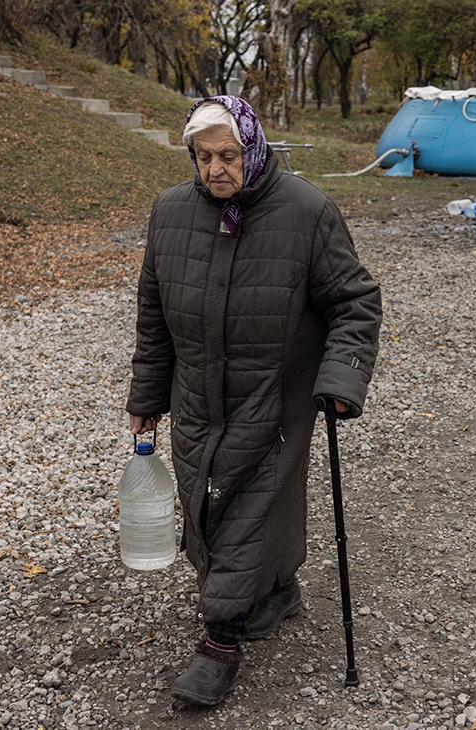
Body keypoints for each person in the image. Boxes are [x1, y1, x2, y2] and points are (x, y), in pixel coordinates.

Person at [126, 95, 382, 706]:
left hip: (275, 395)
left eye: (228, 154)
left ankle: (219, 643)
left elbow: (355, 302)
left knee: (242, 509)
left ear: (254, 147)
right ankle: (276, 590)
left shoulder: (307, 210)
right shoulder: (170, 212)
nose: (215, 168)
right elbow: (155, 320)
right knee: (202, 504)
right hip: (196, 399)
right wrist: (146, 395)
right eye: (203, 155)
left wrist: (342, 380)